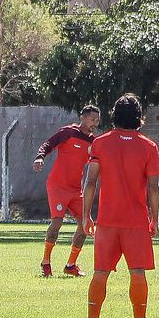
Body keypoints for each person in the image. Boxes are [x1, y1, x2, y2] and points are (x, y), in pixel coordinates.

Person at [79, 93, 159, 318]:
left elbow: (90, 181)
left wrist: (86, 215)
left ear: (114, 117)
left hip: (107, 221)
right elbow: (153, 187)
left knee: (100, 273)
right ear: (139, 118)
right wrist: (154, 219)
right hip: (136, 222)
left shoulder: (100, 143)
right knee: (137, 272)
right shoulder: (149, 146)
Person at [34, 105, 99, 277]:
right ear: (83, 118)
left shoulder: (94, 142)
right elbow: (49, 144)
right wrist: (40, 157)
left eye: (97, 120)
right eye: (93, 119)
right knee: (57, 222)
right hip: (58, 186)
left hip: (76, 189)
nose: (95, 123)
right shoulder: (68, 132)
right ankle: (46, 262)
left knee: (85, 225)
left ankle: (71, 265)